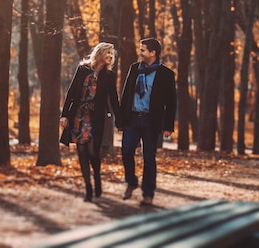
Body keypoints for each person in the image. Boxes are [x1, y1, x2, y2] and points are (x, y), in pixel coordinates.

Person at [117, 38, 177, 206]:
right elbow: (126, 94)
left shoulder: (166, 74)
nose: (140, 52)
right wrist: (121, 119)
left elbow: (171, 102)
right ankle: (131, 181)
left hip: (151, 122)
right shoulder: (134, 69)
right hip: (133, 119)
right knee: (126, 151)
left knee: (149, 158)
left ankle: (148, 194)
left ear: (153, 53)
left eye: (143, 50)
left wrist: (168, 126)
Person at [59, 42, 119, 202]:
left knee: (93, 151)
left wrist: (119, 119)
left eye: (112, 55)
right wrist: (64, 115)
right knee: (82, 151)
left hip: (95, 118)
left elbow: (114, 99)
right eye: (108, 53)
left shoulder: (110, 75)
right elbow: (71, 92)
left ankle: (97, 178)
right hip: (78, 115)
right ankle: (88, 187)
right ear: (100, 53)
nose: (110, 57)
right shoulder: (83, 69)